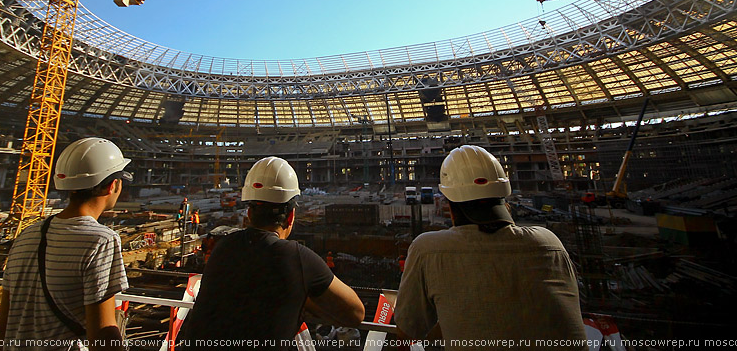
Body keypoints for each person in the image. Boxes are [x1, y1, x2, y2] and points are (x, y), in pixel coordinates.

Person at [395, 145, 587, 351]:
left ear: (449, 205)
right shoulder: (550, 243)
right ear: (504, 197)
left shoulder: (428, 249)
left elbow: (407, 332)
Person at [177, 156, 365, 350]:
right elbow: (356, 314)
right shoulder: (297, 258)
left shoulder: (222, 247)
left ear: (249, 214)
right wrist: (301, 299)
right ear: (291, 216)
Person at [0, 138, 132, 351]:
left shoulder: (27, 235)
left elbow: (3, 324)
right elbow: (102, 333)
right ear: (113, 185)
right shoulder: (101, 240)